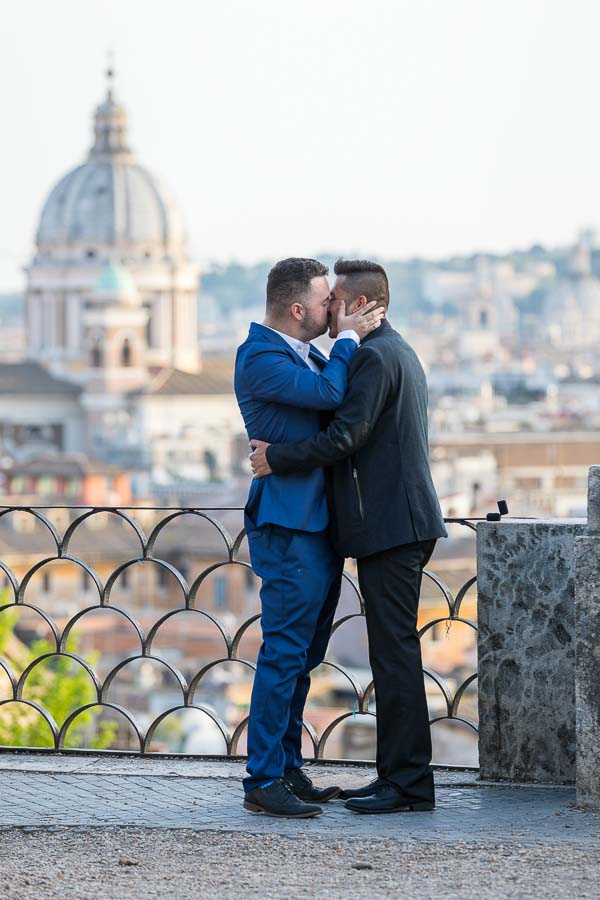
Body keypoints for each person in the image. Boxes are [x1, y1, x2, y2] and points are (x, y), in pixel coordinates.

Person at [250, 258, 447, 814]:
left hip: (391, 526)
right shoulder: (392, 350)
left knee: (393, 657)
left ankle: (405, 784)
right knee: (390, 654)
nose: (329, 308)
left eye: (336, 299)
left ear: (360, 305)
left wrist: (276, 459)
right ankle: (397, 781)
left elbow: (344, 436)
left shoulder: (373, 355)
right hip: (394, 523)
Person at [234, 257, 384, 819]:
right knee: (284, 653)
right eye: (327, 302)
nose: (334, 310)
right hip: (290, 526)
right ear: (299, 309)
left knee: (303, 656)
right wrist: (348, 340)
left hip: (314, 527)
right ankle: (264, 776)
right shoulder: (261, 356)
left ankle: (287, 766)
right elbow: (327, 397)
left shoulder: (298, 351)